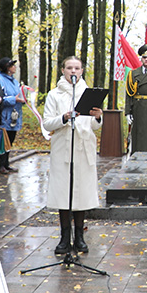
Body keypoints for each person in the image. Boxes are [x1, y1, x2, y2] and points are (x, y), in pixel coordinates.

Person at [42, 57, 103, 255]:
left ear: (82, 70)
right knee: (64, 192)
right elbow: (47, 123)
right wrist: (64, 117)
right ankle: (64, 237)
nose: (73, 71)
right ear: (63, 70)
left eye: (77, 68)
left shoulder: (89, 93)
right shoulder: (54, 94)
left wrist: (98, 117)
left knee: (81, 192)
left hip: (83, 148)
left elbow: (94, 126)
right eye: (69, 68)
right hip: (63, 148)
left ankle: (79, 237)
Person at [0, 57, 25, 173]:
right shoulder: (0, 80)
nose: (15, 67)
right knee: (3, 140)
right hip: (5, 115)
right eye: (12, 65)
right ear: (7, 68)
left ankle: (6, 163)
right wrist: (14, 99)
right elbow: (0, 97)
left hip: (14, 115)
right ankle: (0, 164)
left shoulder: (14, 81)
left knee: (10, 140)